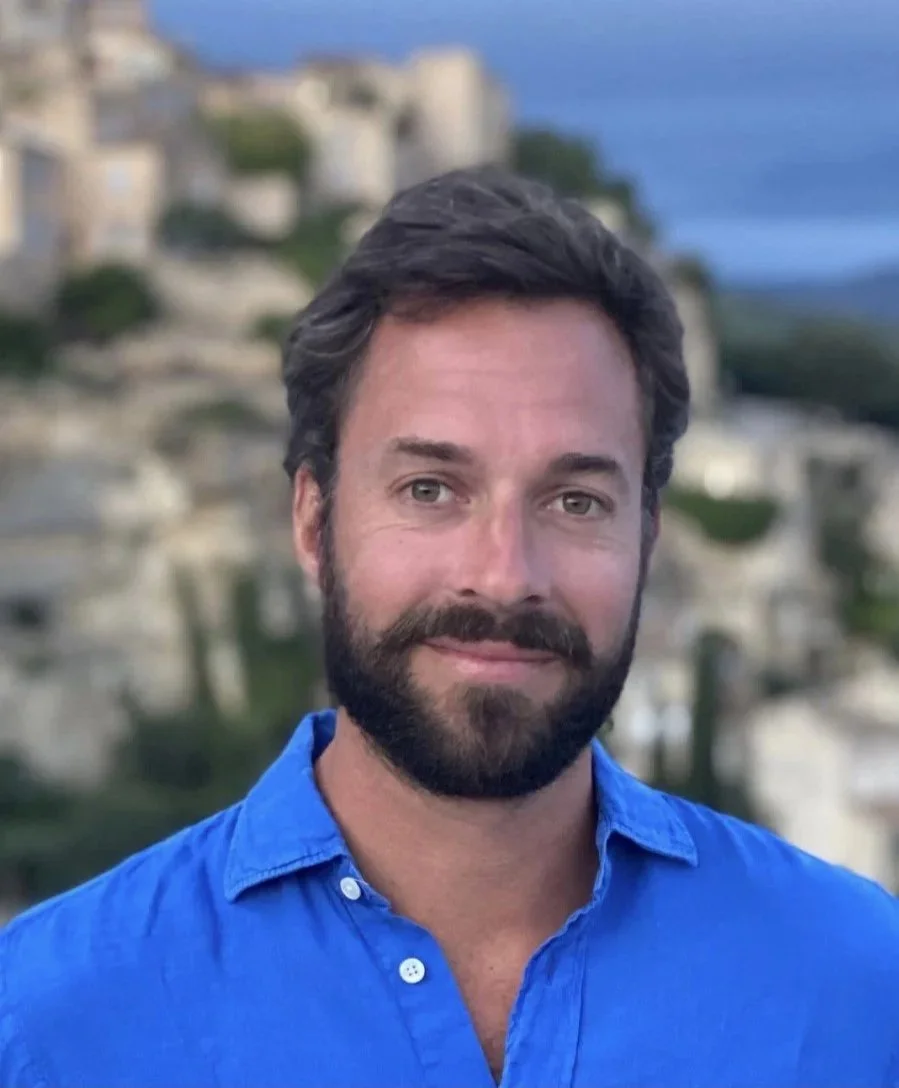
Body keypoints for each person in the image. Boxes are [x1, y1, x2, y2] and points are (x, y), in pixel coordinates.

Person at [1, 167, 898, 1088]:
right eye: (430, 490)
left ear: (647, 538)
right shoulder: (47, 1024)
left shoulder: (858, 988)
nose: (503, 574)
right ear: (313, 523)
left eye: (576, 500)